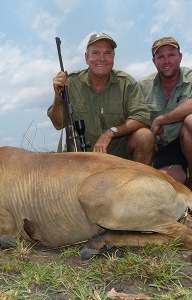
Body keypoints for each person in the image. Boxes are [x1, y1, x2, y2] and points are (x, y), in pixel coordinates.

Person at [47, 32, 154, 165]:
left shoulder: (126, 82)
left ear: (113, 57)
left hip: (120, 160)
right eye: (96, 53)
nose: (102, 59)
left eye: (107, 53)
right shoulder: (71, 82)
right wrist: (58, 94)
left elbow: (142, 117)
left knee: (145, 136)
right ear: (87, 57)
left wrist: (109, 133)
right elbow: (58, 124)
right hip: (82, 161)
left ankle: (139, 183)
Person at [139, 36, 192, 188]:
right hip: (161, 147)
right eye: (160, 57)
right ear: (154, 61)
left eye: (171, 55)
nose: (166, 61)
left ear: (180, 57)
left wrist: (161, 119)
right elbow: (135, 116)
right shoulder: (142, 86)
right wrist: (149, 134)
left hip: (184, 139)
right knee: (163, 185)